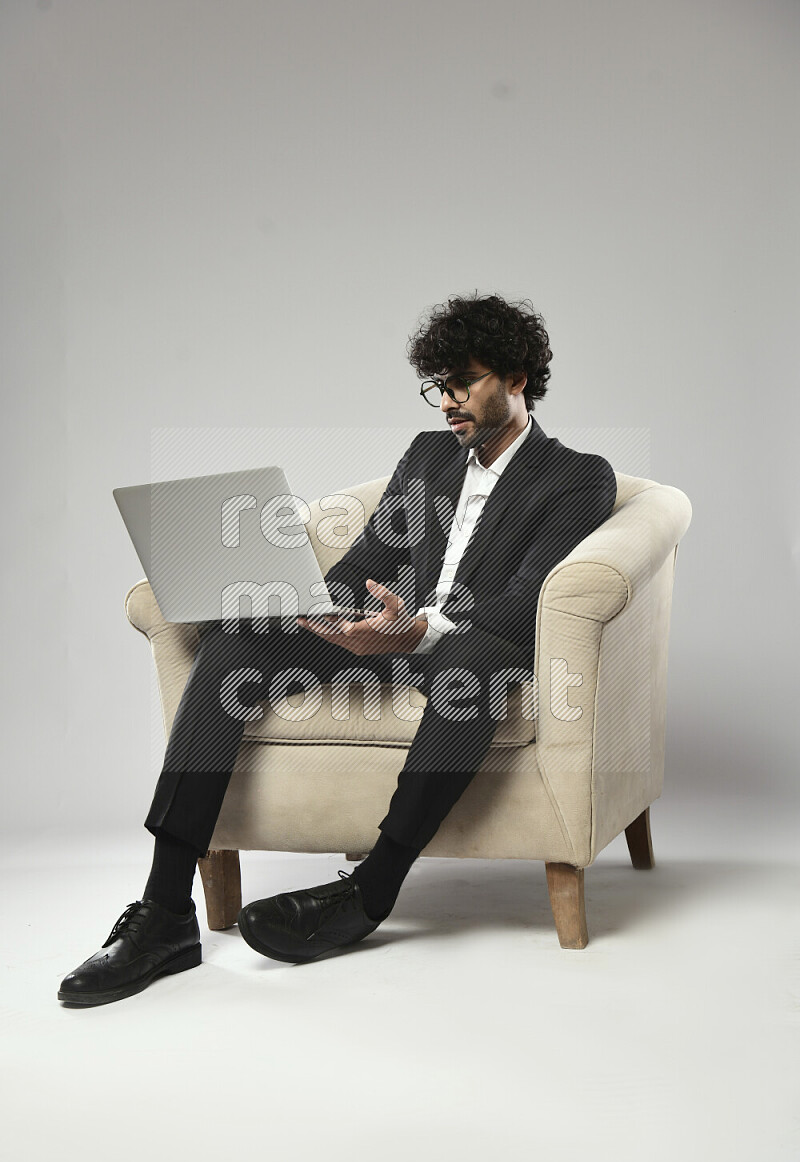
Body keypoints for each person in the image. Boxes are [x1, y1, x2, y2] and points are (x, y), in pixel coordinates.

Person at [58, 291, 617, 1005]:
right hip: (385, 633)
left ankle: (370, 891)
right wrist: (317, 609)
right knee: (234, 640)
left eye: (465, 383)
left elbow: (526, 601)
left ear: (515, 377)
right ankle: (165, 910)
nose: (448, 403)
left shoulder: (577, 475)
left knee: (469, 665)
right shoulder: (427, 457)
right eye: (437, 387)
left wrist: (418, 628)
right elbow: (367, 560)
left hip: (475, 645)